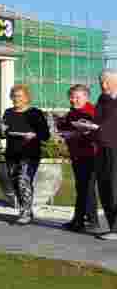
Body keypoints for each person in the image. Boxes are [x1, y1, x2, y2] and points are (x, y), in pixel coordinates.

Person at [0, 84, 50, 225]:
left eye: (19, 96)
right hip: (12, 153)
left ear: (27, 98)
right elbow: (1, 134)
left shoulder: (35, 113)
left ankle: (25, 212)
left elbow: (45, 135)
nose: (16, 99)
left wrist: (34, 135)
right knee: (15, 183)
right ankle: (25, 209)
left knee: (23, 181)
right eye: (14, 96)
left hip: (29, 153)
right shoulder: (8, 113)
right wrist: (1, 131)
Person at [57, 84, 102, 233]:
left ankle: (91, 221)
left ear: (86, 97)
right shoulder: (72, 113)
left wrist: (79, 133)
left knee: (87, 188)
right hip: (77, 155)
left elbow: (99, 132)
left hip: (91, 155)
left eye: (77, 97)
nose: (73, 100)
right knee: (81, 188)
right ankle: (79, 220)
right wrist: (62, 128)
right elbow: (66, 129)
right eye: (71, 97)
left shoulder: (93, 112)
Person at [90, 71, 117, 240]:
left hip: (115, 148)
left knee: (115, 186)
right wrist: (88, 126)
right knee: (104, 185)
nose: (103, 86)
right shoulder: (102, 99)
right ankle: (111, 225)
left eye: (107, 82)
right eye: (101, 82)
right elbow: (98, 120)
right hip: (101, 147)